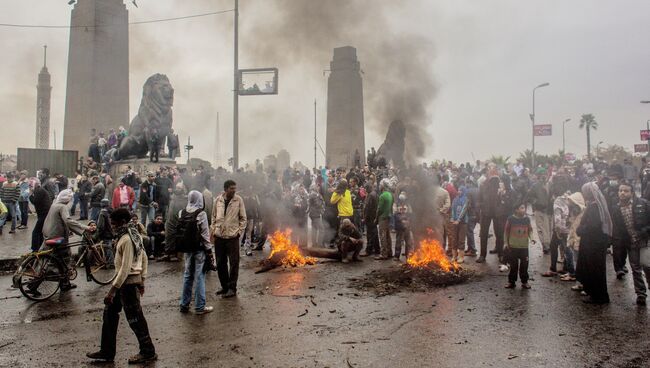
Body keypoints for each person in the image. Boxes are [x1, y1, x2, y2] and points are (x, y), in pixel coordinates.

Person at [87, 208, 157, 364]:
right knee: (110, 314)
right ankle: (107, 351)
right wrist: (143, 279)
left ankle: (148, 351)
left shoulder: (127, 239)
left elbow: (125, 269)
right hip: (125, 283)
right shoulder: (133, 235)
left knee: (135, 319)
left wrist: (112, 291)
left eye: (114, 223)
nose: (112, 226)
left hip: (127, 285)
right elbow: (143, 258)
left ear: (123, 222)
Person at [610, 181, 650, 305]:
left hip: (644, 241)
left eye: (626, 191)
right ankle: (641, 293)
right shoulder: (616, 208)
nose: (622, 193)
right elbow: (616, 228)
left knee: (647, 266)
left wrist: (642, 233)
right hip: (630, 243)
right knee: (635, 268)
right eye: (620, 190)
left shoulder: (643, 204)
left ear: (632, 193)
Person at [41, 189, 89, 292]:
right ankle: (63, 283)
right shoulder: (62, 207)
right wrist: (85, 228)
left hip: (48, 235)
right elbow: (68, 221)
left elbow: (61, 222)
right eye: (70, 198)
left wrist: (71, 231)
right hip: (57, 238)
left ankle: (65, 283)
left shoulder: (54, 205)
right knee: (66, 258)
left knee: (60, 260)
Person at [176, 191, 215, 314]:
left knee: (188, 276)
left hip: (187, 249)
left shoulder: (181, 212)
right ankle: (199, 307)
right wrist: (209, 251)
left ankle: (184, 304)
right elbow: (205, 235)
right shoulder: (201, 214)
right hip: (199, 250)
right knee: (199, 277)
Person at [576, 182, 613, 304]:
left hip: (593, 243)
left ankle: (597, 296)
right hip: (595, 242)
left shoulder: (594, 207)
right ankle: (596, 294)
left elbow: (593, 226)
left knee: (594, 269)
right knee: (596, 268)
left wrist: (580, 230)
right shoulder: (596, 205)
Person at [210, 180, 247, 298]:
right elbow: (213, 216)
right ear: (226, 189)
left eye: (235, 188)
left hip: (232, 237)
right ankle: (224, 287)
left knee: (234, 263)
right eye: (232, 188)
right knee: (220, 263)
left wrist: (239, 232)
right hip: (219, 236)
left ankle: (232, 288)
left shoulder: (238, 200)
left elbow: (243, 218)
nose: (234, 190)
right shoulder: (218, 200)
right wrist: (214, 229)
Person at [504, 203, 533, 289]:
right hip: (513, 246)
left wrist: (532, 238)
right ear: (516, 210)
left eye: (524, 208)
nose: (524, 210)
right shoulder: (511, 219)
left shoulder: (527, 219)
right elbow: (506, 232)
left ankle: (525, 281)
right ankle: (511, 282)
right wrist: (506, 243)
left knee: (524, 265)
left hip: (524, 247)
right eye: (522, 208)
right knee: (513, 265)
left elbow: (530, 230)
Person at [527, 168, 553, 254]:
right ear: (539, 176)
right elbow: (529, 197)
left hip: (549, 210)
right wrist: (537, 202)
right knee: (540, 229)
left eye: (545, 174)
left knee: (549, 229)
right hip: (539, 210)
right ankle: (545, 246)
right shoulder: (535, 186)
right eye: (542, 175)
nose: (544, 176)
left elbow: (552, 196)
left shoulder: (550, 185)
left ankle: (549, 244)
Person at [449, 186, 469, 264]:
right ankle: (454, 256)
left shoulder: (466, 199)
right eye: (458, 190)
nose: (459, 192)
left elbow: (464, 210)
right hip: (454, 222)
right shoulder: (455, 199)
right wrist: (452, 218)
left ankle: (461, 257)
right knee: (454, 239)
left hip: (463, 223)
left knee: (461, 240)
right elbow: (453, 209)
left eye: (461, 190)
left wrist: (458, 220)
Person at [375, 180, 394, 260]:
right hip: (389, 217)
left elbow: (379, 209)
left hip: (382, 218)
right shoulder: (390, 195)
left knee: (382, 236)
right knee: (388, 235)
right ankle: (390, 252)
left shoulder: (382, 196)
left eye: (380, 185)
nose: (379, 186)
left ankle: (384, 254)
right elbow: (392, 207)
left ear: (383, 186)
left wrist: (376, 218)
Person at [393, 191, 413, 261]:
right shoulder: (396, 204)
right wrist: (401, 220)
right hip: (399, 226)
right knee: (398, 241)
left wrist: (407, 220)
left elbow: (410, 213)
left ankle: (408, 255)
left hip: (407, 226)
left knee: (408, 241)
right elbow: (395, 213)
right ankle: (396, 256)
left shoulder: (408, 204)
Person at [361, 183, 380, 256]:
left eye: (365, 188)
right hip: (373, 217)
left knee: (370, 234)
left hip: (370, 218)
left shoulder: (371, 195)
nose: (365, 190)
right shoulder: (374, 194)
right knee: (374, 234)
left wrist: (365, 218)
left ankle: (368, 250)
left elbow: (367, 208)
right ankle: (377, 249)